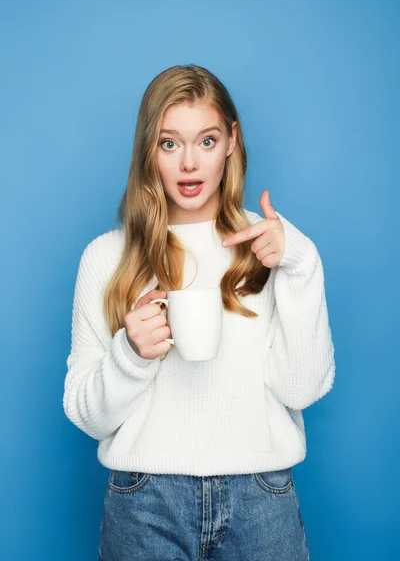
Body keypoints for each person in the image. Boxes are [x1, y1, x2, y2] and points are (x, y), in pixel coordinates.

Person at [63, 64, 335, 560]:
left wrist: (300, 263)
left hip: (261, 497)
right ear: (149, 149)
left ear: (231, 141)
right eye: (170, 143)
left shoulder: (268, 245)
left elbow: (303, 388)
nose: (189, 163)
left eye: (206, 141)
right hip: (144, 502)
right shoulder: (106, 258)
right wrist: (131, 354)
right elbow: (87, 415)